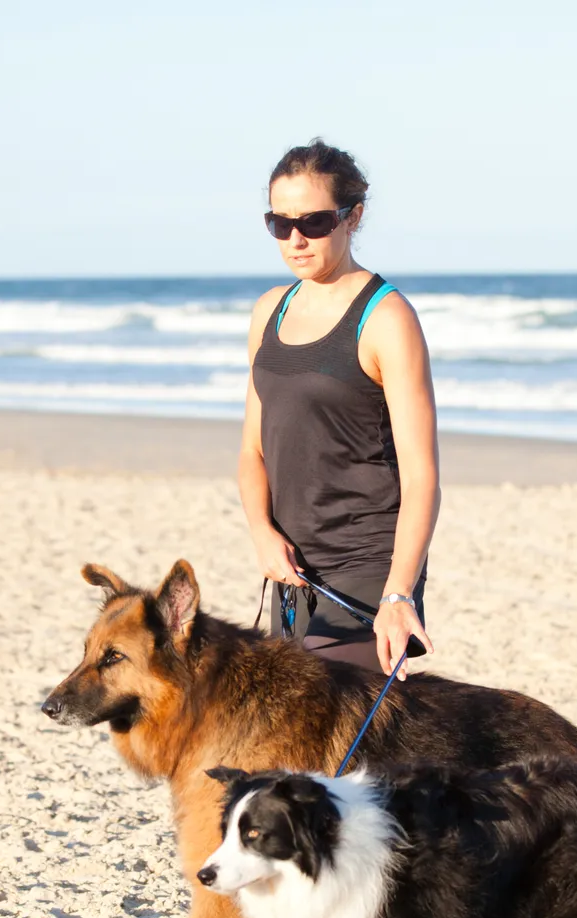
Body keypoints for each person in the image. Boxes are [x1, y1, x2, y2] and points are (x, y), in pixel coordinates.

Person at [238, 139, 437, 673]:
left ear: (354, 217)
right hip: (291, 566)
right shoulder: (268, 312)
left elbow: (422, 479)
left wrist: (399, 594)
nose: (296, 239)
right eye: (280, 224)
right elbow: (252, 452)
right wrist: (262, 531)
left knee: (339, 741)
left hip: (367, 563)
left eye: (315, 221)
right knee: (296, 748)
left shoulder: (386, 318)